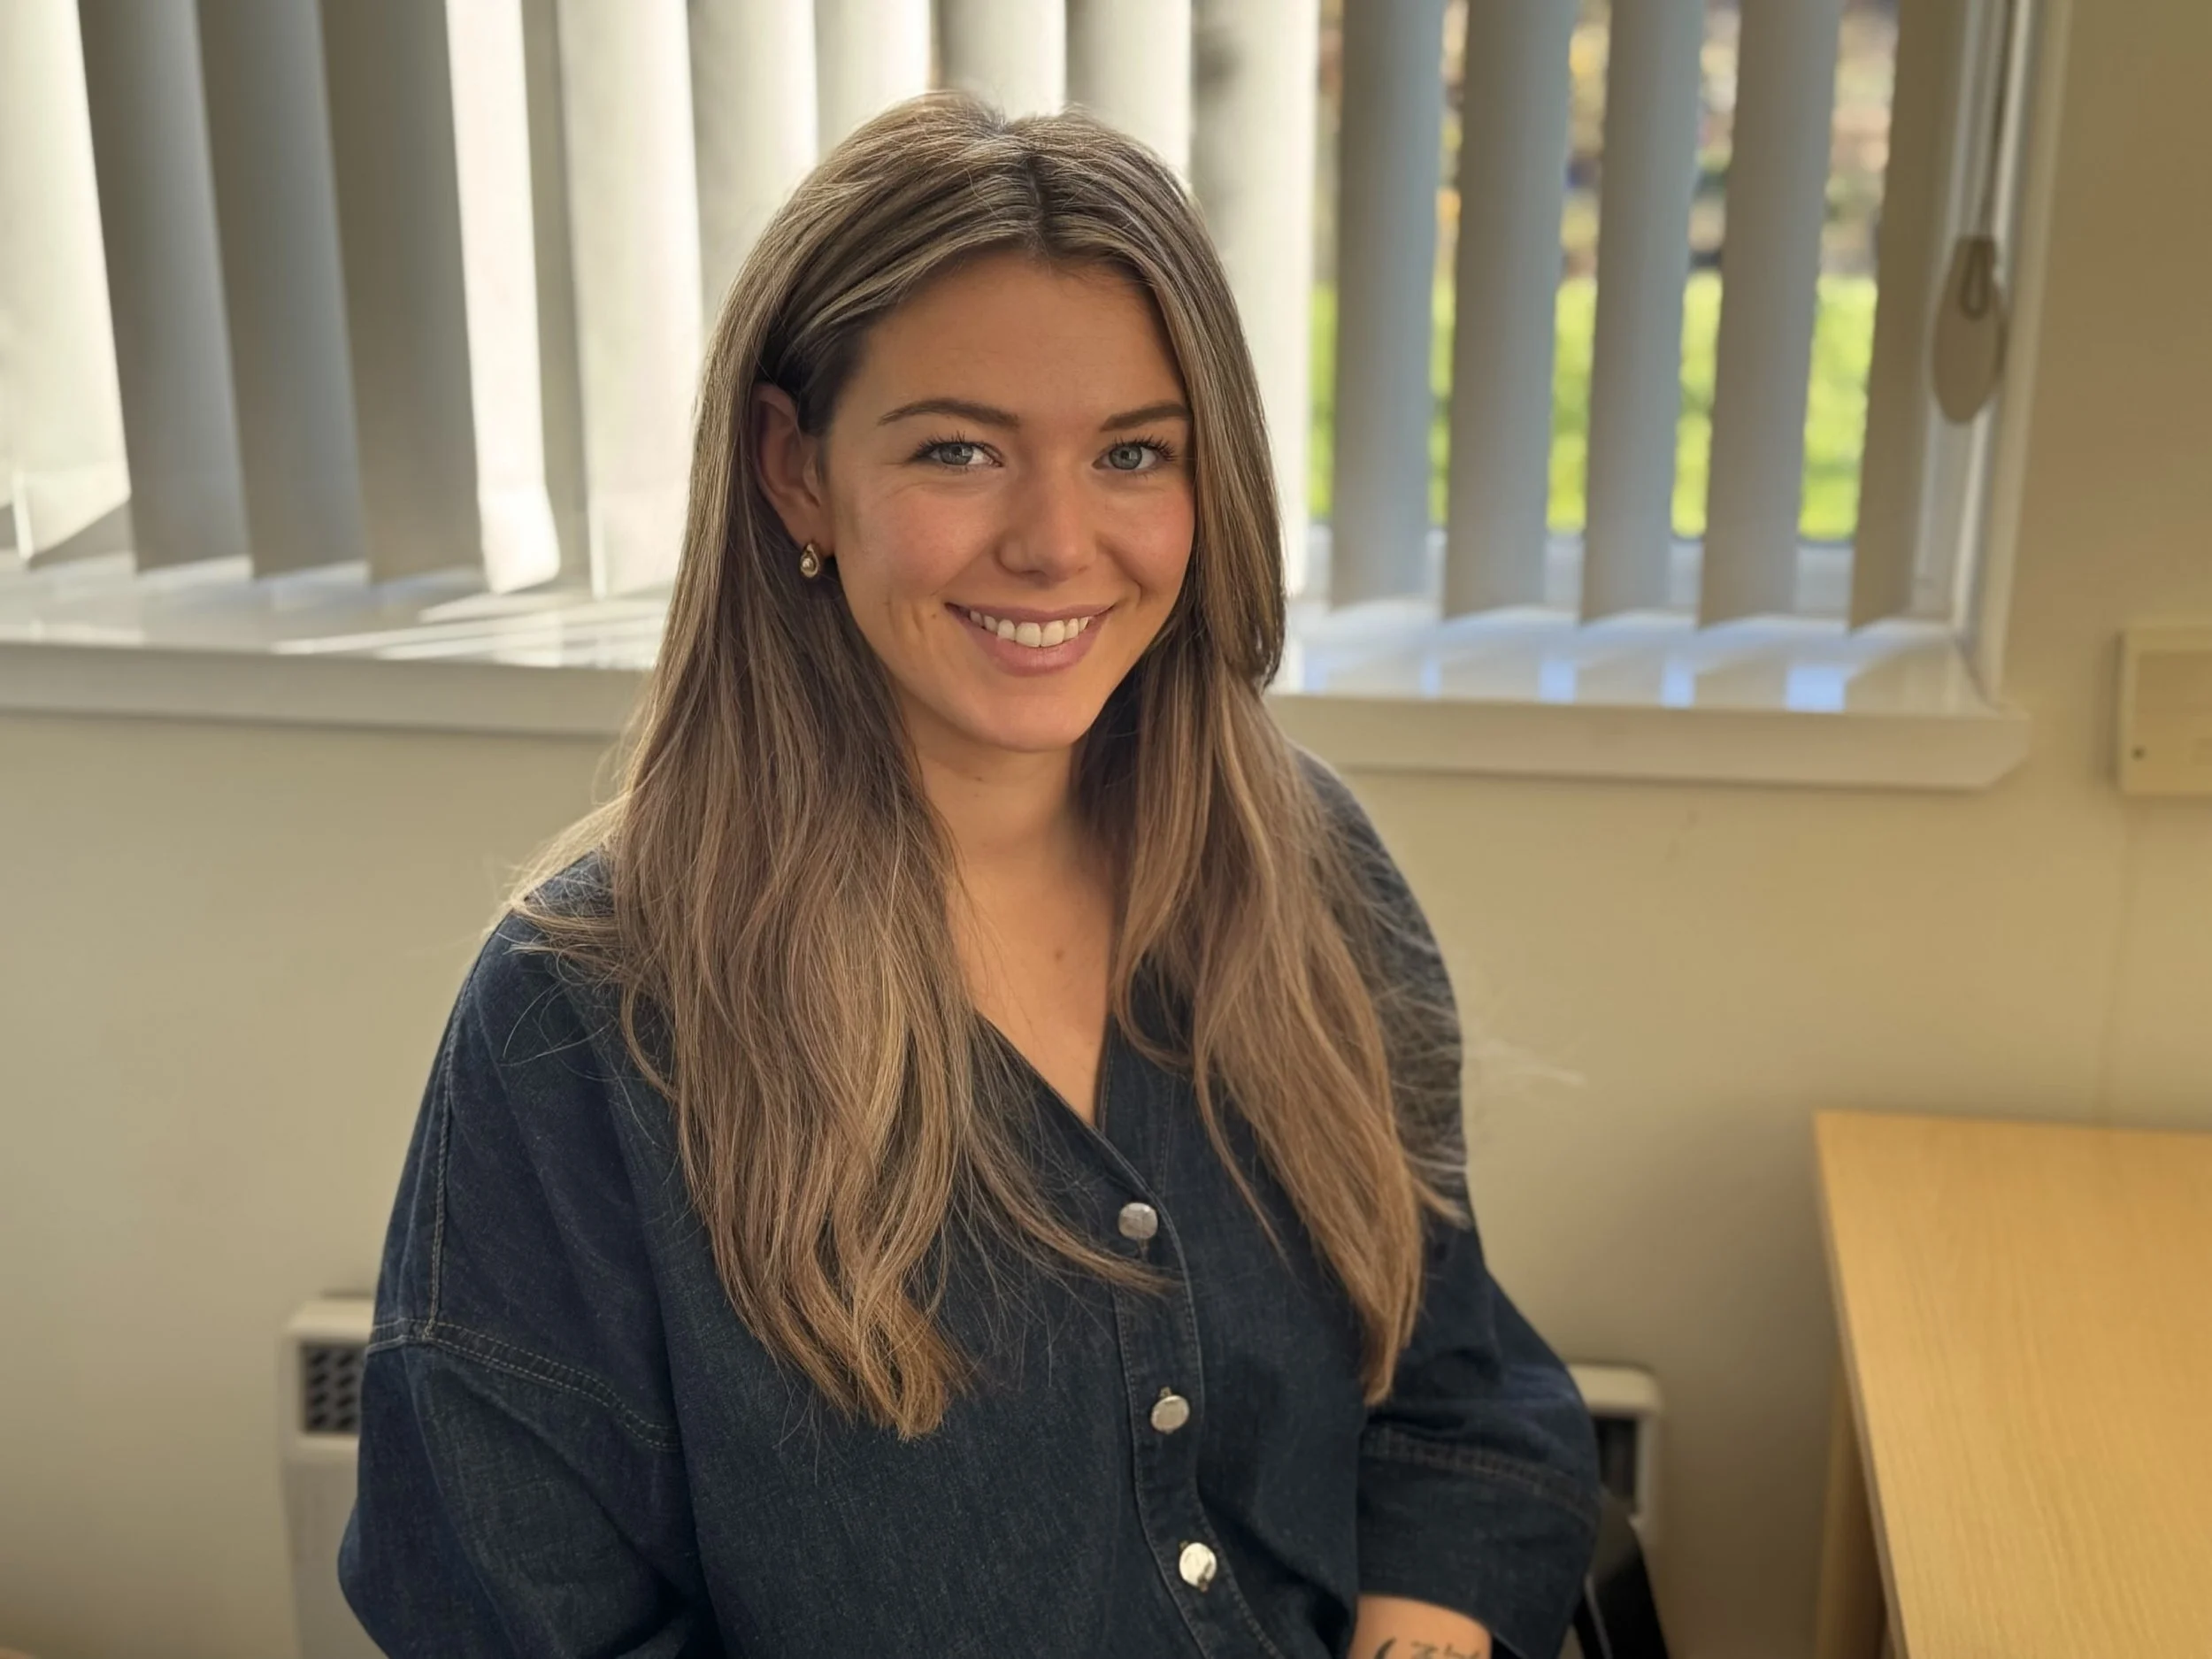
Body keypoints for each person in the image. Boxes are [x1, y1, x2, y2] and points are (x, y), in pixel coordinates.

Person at [339, 91, 1599, 1659]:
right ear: (796, 472)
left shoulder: (1303, 866)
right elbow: (507, 1618)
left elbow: (1450, 1397)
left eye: (1134, 452)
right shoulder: (581, 1024)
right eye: (958, 450)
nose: (1057, 542)